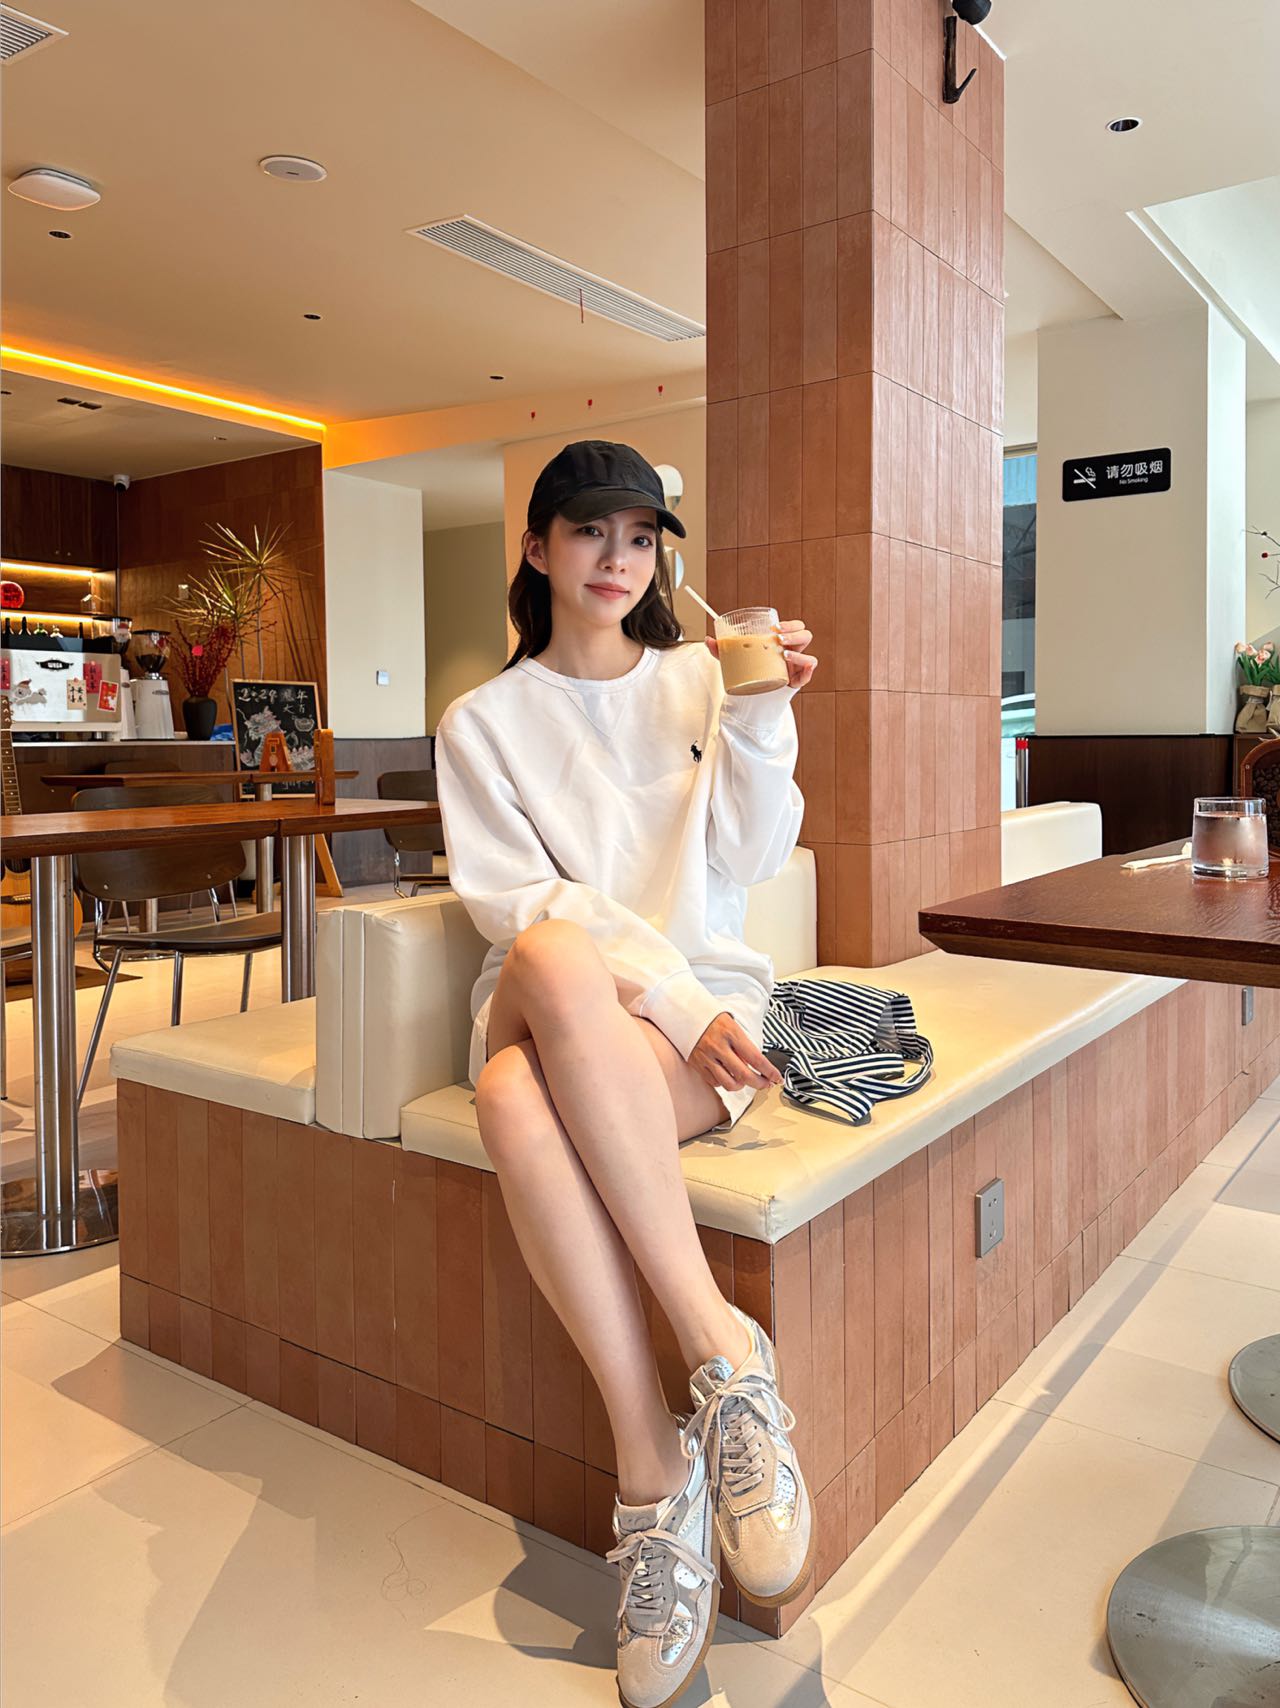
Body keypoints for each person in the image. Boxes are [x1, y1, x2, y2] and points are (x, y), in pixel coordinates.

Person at [433, 440, 819, 1708]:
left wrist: (761, 715)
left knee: (508, 1097)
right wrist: (669, 996)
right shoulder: (482, 723)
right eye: (590, 530)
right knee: (551, 950)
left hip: (698, 1024)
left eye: (641, 537)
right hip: (576, 1002)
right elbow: (517, 908)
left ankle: (652, 1472)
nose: (617, 557)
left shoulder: (700, 680)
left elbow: (753, 858)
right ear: (537, 548)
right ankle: (722, 1350)